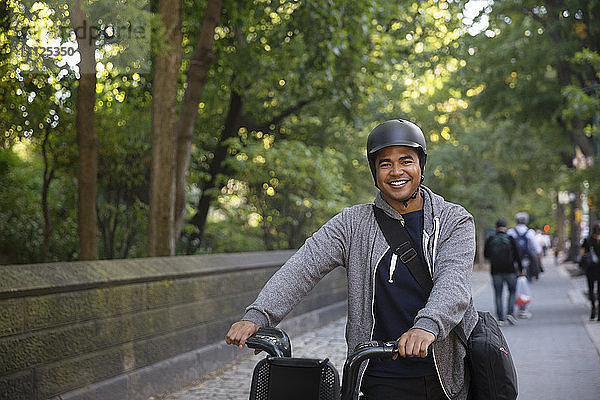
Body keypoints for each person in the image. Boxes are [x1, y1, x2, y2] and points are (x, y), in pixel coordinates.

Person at [225, 119, 478, 400]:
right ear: (375, 170)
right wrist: (258, 315)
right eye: (385, 164)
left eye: (406, 161)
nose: (396, 172)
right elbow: (303, 266)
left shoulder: (455, 220)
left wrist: (426, 326)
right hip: (377, 372)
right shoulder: (353, 223)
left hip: (441, 374)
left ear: (421, 165)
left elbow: (453, 282)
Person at [484, 218, 523, 326]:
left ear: (496, 227)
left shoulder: (491, 238)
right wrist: (520, 269)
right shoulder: (510, 238)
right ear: (506, 227)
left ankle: (500, 318)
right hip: (510, 270)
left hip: (496, 271)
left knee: (498, 294)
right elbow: (517, 256)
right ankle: (510, 313)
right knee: (512, 291)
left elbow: (486, 255)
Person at [507, 212, 542, 319]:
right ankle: (523, 309)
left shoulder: (511, 232)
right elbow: (536, 248)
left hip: (513, 264)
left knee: (513, 287)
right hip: (526, 263)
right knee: (524, 286)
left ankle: (510, 309)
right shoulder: (530, 233)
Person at [579, 222, 600, 321]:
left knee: (591, 289)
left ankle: (593, 309)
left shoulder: (588, 240)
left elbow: (582, 253)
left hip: (591, 268)